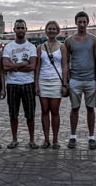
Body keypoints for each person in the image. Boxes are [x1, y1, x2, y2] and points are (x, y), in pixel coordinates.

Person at [64, 11, 96, 150]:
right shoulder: (69, 41)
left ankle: (91, 137)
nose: (82, 24)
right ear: (76, 23)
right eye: (79, 22)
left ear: (88, 22)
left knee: (91, 109)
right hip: (75, 80)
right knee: (75, 109)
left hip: (91, 80)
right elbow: (66, 63)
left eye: (84, 22)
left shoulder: (94, 40)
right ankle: (73, 136)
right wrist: (66, 82)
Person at [2, 19, 38, 149]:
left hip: (28, 83)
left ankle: (32, 140)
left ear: (26, 29)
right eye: (18, 28)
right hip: (12, 84)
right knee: (13, 113)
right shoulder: (9, 47)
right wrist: (23, 63)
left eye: (22, 28)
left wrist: (13, 66)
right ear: (14, 30)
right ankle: (14, 139)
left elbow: (32, 66)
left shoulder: (31, 47)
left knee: (30, 114)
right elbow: (5, 67)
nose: (20, 30)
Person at [35, 21, 68, 149]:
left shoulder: (62, 46)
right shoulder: (40, 47)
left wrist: (65, 84)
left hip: (56, 81)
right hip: (43, 80)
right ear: (46, 30)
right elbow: (37, 67)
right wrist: (36, 84)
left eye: (54, 29)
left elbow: (65, 66)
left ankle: (55, 139)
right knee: (44, 111)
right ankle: (46, 139)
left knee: (55, 111)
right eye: (49, 29)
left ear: (58, 30)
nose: (51, 31)